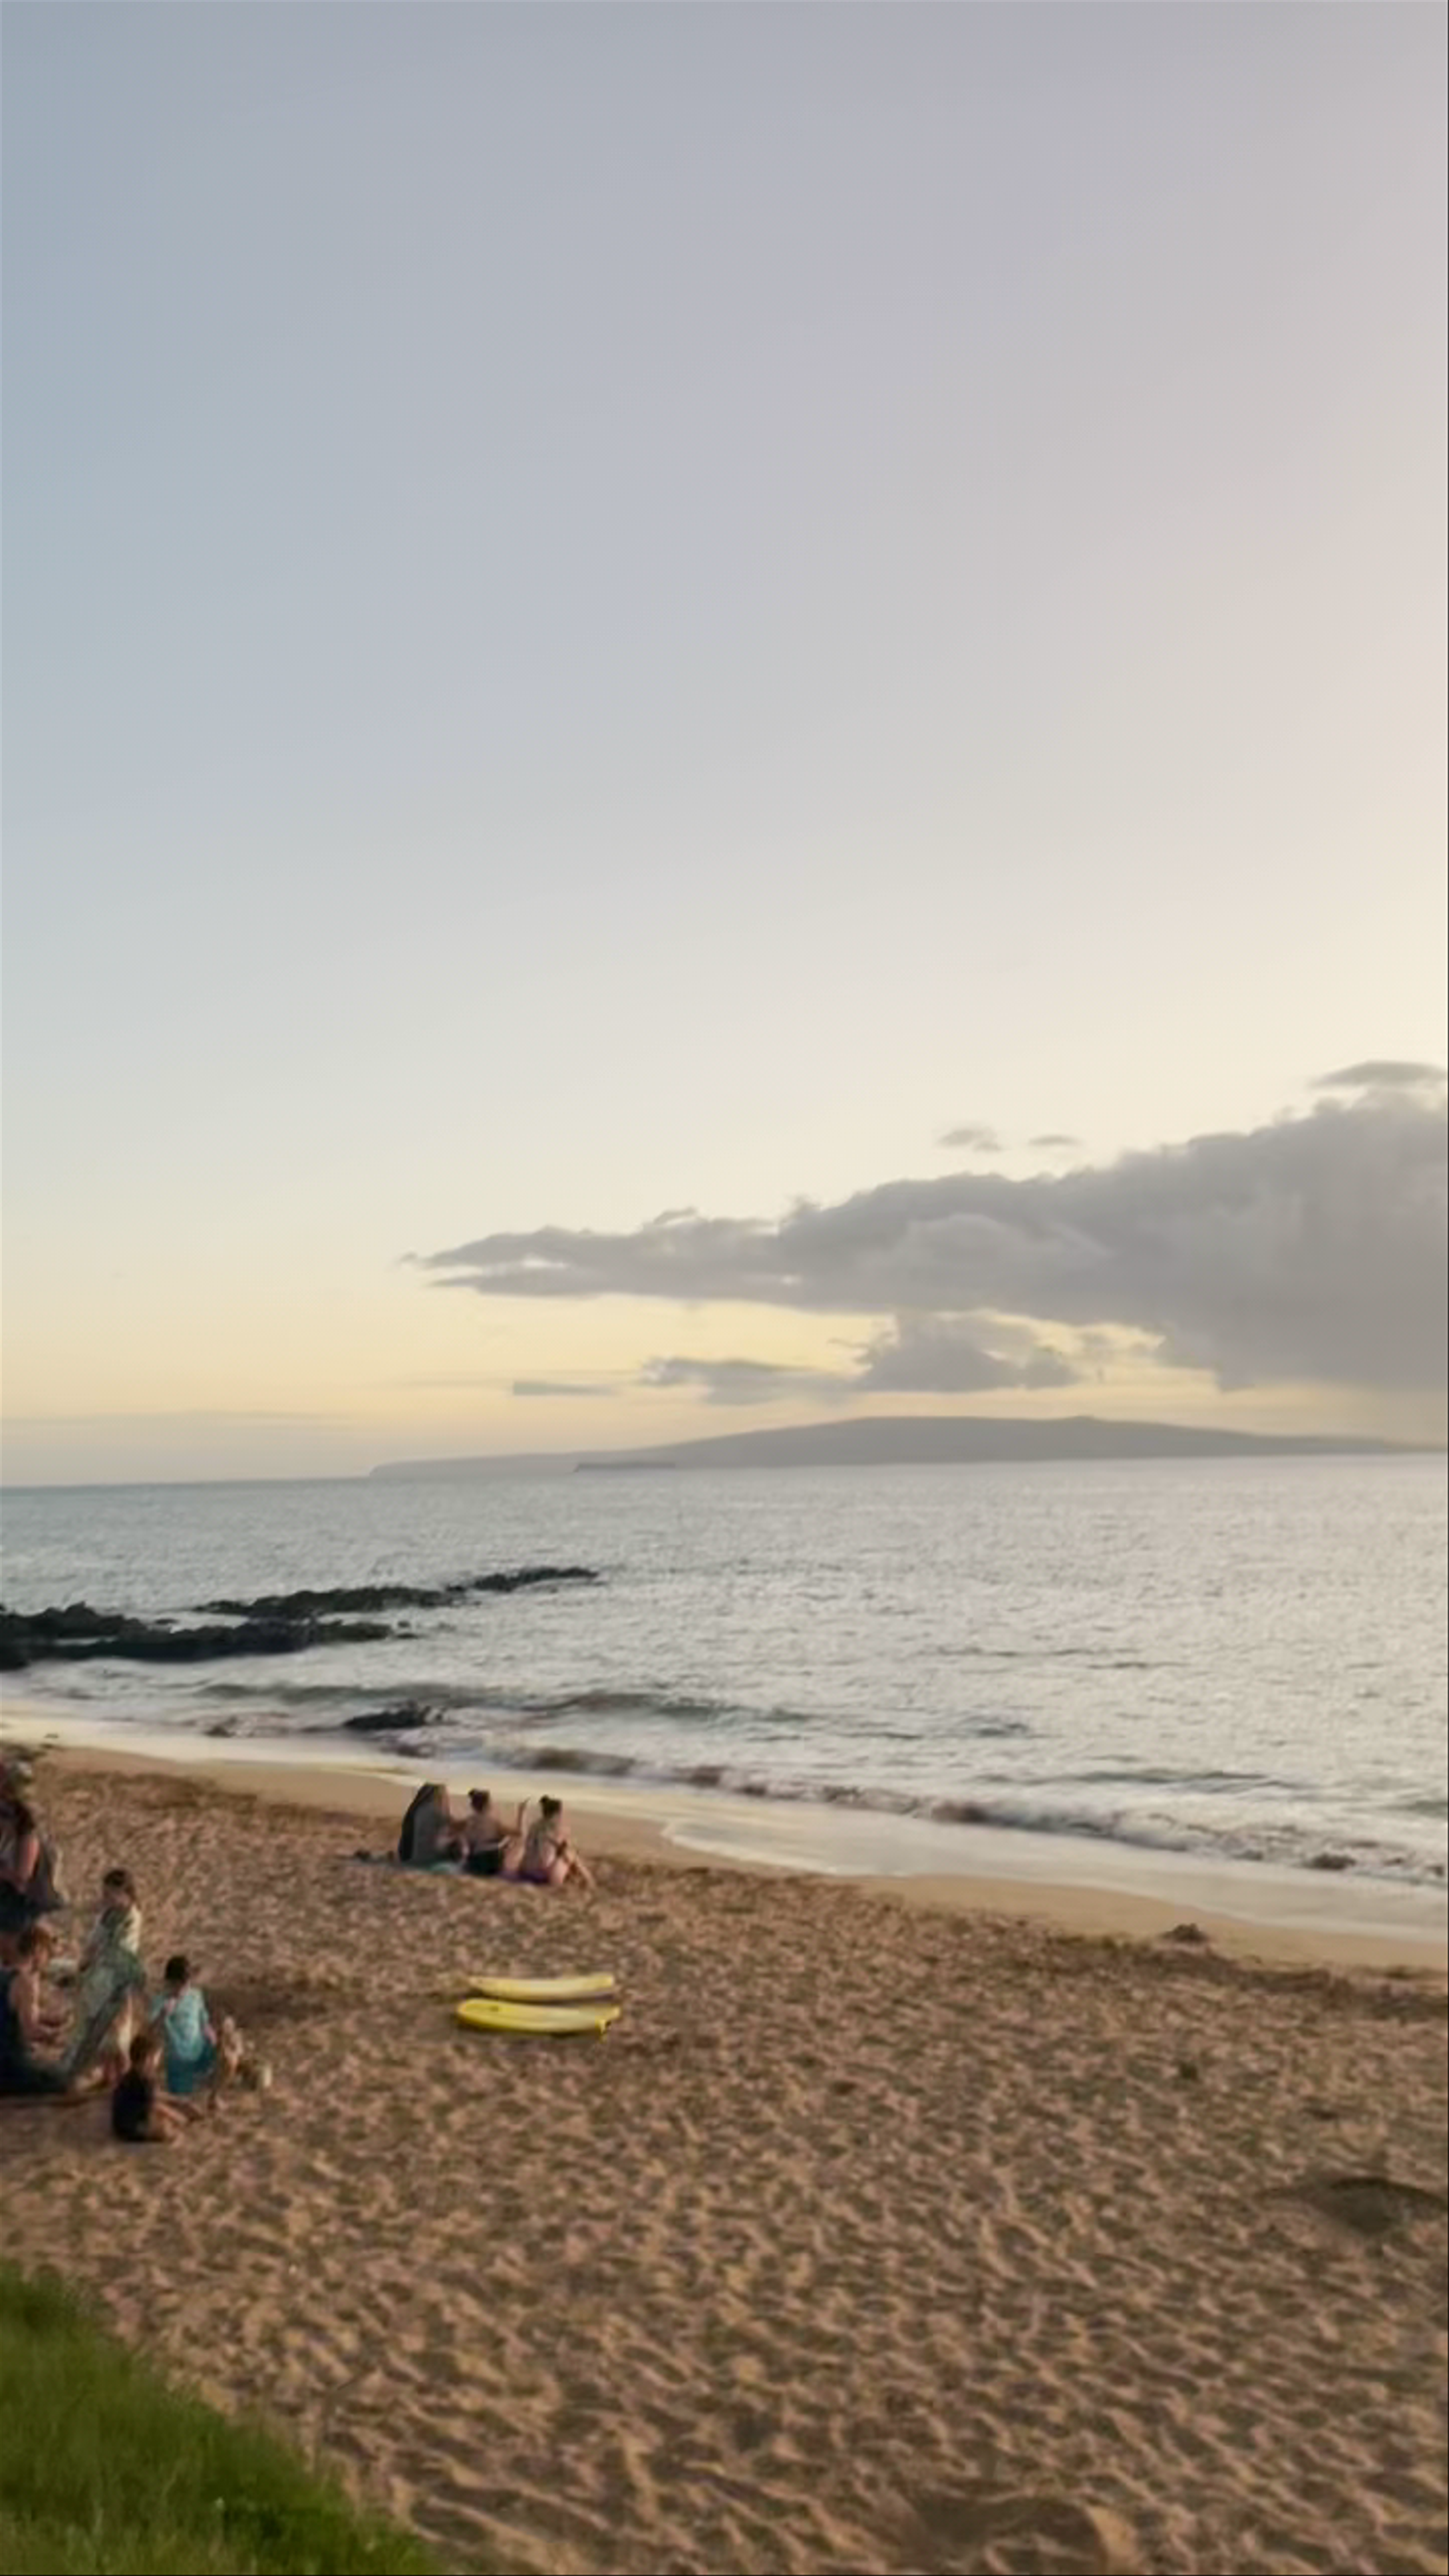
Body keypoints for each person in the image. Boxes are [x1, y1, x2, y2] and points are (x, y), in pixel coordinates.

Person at [62, 1867, 146, 2087]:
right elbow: (93, 1944)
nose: (106, 1898)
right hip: (99, 1980)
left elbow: (120, 1951)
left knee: (119, 2037)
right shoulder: (108, 1916)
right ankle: (111, 2078)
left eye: (110, 1894)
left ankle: (127, 2079)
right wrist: (84, 1966)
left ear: (125, 1893)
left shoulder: (132, 1918)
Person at [151, 1955, 237, 2099]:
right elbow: (151, 2030)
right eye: (178, 1985)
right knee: (184, 2101)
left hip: (201, 2049)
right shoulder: (161, 2001)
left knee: (229, 2061)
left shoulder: (195, 1996)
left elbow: (203, 2020)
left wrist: (210, 2033)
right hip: (179, 2061)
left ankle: (214, 2096)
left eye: (186, 1984)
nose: (183, 1989)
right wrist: (163, 2015)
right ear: (170, 1983)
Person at [0, 1921, 71, 2097]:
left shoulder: (6, 1975)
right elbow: (29, 2031)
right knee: (65, 2081)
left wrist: (52, 2020)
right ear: (38, 1952)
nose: (48, 1962)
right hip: (9, 2067)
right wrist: (56, 2038)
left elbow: (13, 2013)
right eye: (49, 1955)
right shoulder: (26, 1983)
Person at [112, 2027, 195, 2144]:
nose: (158, 2061)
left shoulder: (134, 2075)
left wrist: (179, 2100)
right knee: (165, 2128)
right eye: (157, 2057)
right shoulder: (143, 2080)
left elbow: (154, 2095)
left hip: (124, 2122)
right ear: (148, 2059)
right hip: (131, 2127)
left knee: (170, 2117)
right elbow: (155, 2106)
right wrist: (179, 2119)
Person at [511, 1795, 595, 1890]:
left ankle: (577, 1878)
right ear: (557, 1814)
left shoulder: (534, 1826)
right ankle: (589, 1880)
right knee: (570, 1854)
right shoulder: (558, 1829)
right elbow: (566, 1853)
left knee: (558, 1853)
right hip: (543, 1875)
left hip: (524, 1872)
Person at [461, 1789, 527, 1879]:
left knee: (502, 1840)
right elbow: (519, 1833)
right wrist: (521, 1813)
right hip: (491, 1861)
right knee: (508, 1841)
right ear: (487, 1806)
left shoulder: (468, 1821)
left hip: (474, 1861)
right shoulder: (493, 1823)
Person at [397, 1784, 463, 1869]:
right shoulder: (434, 1810)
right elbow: (455, 1825)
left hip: (416, 1856)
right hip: (429, 1858)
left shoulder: (419, 1809)